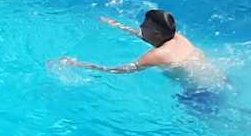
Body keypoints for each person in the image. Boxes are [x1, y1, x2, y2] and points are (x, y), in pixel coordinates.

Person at [58, 9, 220, 89]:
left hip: (199, 92)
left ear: (156, 33)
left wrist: (78, 64)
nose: (141, 27)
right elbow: (147, 36)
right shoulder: (177, 37)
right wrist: (118, 26)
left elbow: (117, 70)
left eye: (144, 26)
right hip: (217, 78)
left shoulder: (158, 55)